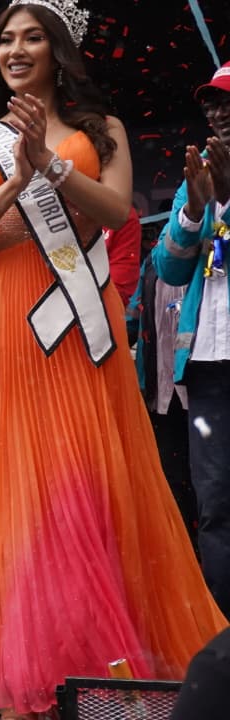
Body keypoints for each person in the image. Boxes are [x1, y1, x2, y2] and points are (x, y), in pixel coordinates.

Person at [0, 3, 226, 717]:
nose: (15, 49)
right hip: (6, 321)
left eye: (31, 36)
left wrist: (49, 166)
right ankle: (32, 670)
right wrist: (15, 177)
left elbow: (117, 212)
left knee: (86, 486)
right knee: (18, 494)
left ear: (59, 50)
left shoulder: (103, 132)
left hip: (79, 321)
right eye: (5, 38)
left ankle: (102, 668)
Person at [151, 59, 230, 615]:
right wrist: (198, 210)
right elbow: (171, 269)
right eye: (211, 102)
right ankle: (224, 639)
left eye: (228, 101)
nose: (218, 111)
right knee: (217, 503)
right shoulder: (195, 177)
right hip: (206, 370)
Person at [127, 252, 198, 552]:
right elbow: (131, 319)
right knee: (172, 482)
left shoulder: (211, 255)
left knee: (210, 483)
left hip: (201, 391)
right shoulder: (153, 263)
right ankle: (186, 557)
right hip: (162, 395)